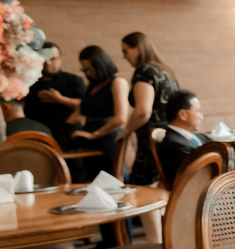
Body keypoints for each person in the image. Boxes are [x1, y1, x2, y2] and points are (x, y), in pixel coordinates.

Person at [157, 91, 235, 183]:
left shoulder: (197, 137)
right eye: (199, 111)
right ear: (183, 115)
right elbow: (195, 179)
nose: (202, 117)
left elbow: (228, 151)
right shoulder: (173, 144)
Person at [121, 32, 178, 186]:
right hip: (168, 137)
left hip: (150, 141)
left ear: (138, 48)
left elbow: (143, 111)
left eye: (125, 51)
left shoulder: (144, 71)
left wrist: (126, 131)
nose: (124, 56)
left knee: (141, 190)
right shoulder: (165, 70)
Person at [69, 45, 130, 180]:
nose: (88, 73)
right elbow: (79, 113)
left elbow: (121, 118)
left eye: (91, 69)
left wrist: (94, 135)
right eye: (85, 70)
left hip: (107, 136)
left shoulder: (117, 82)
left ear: (101, 64)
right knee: (92, 179)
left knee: (111, 179)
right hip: (88, 136)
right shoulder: (91, 85)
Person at [25, 42, 86, 147]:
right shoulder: (28, 83)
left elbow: (85, 106)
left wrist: (60, 99)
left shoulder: (74, 80)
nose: (48, 62)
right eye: (44, 58)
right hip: (36, 139)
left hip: (68, 138)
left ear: (60, 59)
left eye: (52, 59)